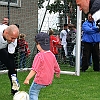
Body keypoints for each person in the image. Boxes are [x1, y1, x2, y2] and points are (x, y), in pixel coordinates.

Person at [24, 32, 60, 100]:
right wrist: (58, 72)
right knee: (35, 91)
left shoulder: (39, 56)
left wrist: (27, 79)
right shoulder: (52, 54)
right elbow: (56, 66)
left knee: (33, 93)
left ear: (39, 44)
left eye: (37, 44)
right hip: (48, 80)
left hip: (40, 80)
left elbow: (34, 69)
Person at [0, 24, 20, 95]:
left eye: (15, 38)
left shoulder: (13, 39)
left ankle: (14, 90)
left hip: (1, 50)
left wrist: (13, 76)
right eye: (12, 38)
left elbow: (11, 57)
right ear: (6, 33)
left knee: (12, 67)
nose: (13, 40)